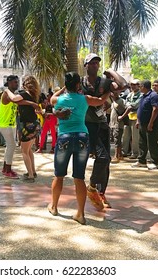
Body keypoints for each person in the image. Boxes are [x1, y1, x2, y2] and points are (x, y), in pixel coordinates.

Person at [48, 72, 112, 225]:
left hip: (64, 137)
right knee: (79, 177)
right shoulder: (85, 99)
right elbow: (102, 101)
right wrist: (109, 91)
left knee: (59, 175)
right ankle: (80, 214)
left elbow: (51, 99)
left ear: (66, 85)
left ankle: (54, 207)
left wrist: (64, 88)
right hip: (83, 137)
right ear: (78, 85)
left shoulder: (59, 99)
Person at [81, 53, 123, 210]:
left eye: (97, 63)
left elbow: (122, 85)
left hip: (102, 125)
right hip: (86, 125)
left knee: (106, 161)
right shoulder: (80, 82)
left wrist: (111, 72)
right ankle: (91, 188)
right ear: (86, 65)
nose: (95, 66)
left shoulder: (104, 82)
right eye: (91, 63)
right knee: (102, 157)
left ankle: (100, 191)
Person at [0, 75, 40, 179]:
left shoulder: (17, 94)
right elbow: (14, 100)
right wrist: (31, 103)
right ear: (8, 83)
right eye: (14, 82)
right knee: (12, 146)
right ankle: (7, 170)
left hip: (11, 124)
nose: (16, 84)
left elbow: (19, 101)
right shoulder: (7, 93)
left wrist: (31, 104)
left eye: (17, 82)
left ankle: (6, 168)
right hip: (5, 123)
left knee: (13, 147)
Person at [131, 80, 158, 170]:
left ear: (144, 86)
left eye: (140, 86)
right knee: (142, 142)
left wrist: (151, 123)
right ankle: (141, 160)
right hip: (142, 123)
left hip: (151, 123)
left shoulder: (153, 95)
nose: (139, 88)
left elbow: (155, 109)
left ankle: (155, 162)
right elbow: (141, 109)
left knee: (152, 143)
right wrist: (138, 121)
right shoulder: (143, 96)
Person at [16, 75, 41, 183]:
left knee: (24, 151)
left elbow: (14, 99)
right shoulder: (34, 95)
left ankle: (30, 175)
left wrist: (7, 91)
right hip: (35, 124)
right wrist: (30, 103)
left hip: (27, 125)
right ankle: (33, 171)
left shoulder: (23, 94)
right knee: (29, 150)